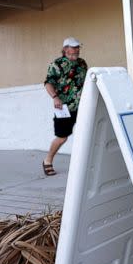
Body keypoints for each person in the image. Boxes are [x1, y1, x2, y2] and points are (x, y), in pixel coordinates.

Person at [42, 37, 88, 176]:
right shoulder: (56, 64)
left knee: (86, 134)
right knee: (62, 137)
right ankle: (47, 160)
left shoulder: (82, 63)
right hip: (64, 107)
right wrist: (55, 98)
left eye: (77, 48)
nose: (76, 50)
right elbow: (48, 83)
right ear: (65, 49)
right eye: (73, 48)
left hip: (83, 105)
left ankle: (84, 164)